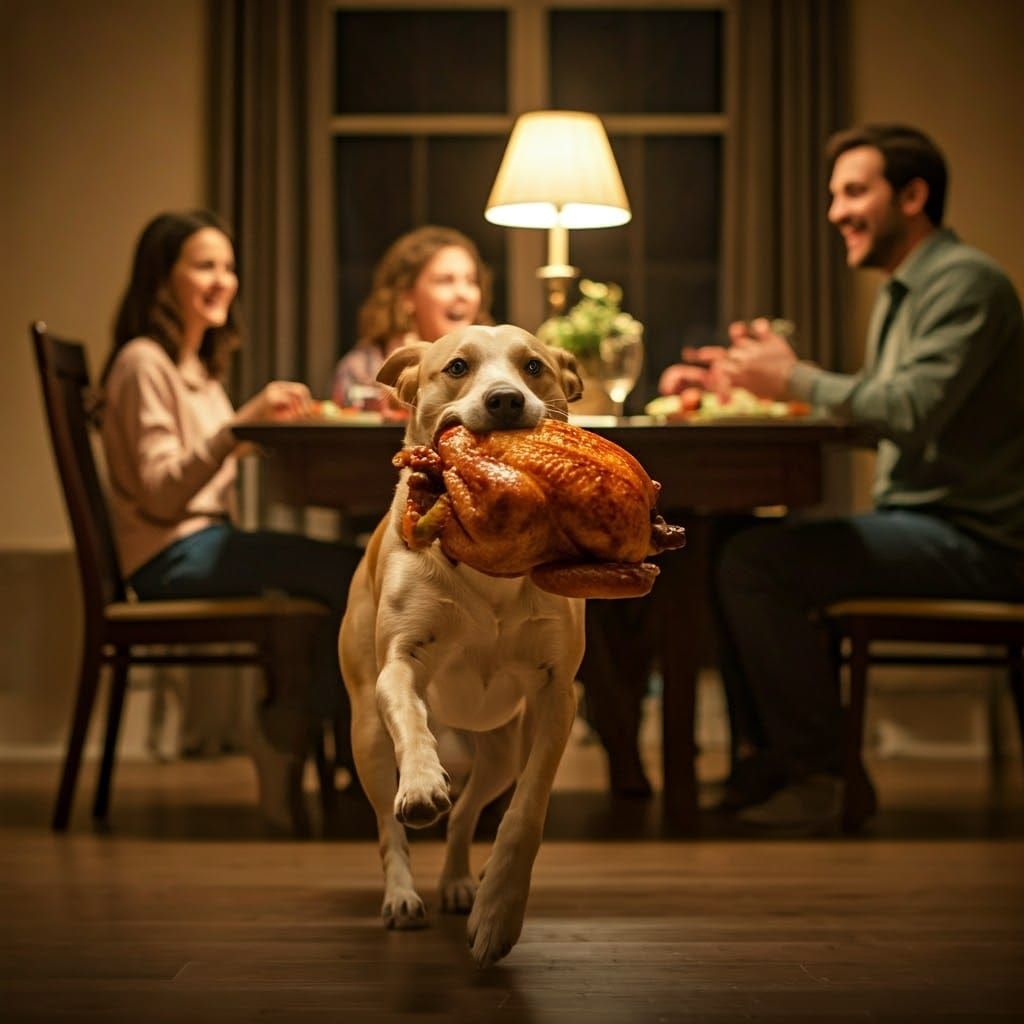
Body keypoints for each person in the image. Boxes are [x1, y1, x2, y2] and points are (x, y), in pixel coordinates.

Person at [659, 124, 1024, 831]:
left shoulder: (965, 283)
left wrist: (792, 375)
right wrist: (762, 388)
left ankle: (822, 777)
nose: (835, 213)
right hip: (933, 524)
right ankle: (766, 762)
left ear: (913, 195)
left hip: (983, 541)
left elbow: (909, 411)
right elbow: (887, 410)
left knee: (757, 562)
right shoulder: (910, 290)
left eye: (855, 192)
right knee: (733, 539)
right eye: (834, 195)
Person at [100, 209, 363, 830]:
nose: (222, 280)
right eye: (203, 266)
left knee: (349, 575)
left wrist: (258, 433)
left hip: (199, 543)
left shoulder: (194, 370)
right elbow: (164, 495)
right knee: (353, 572)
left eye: (228, 267)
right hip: (170, 556)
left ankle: (302, 729)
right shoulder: (143, 363)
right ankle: (301, 737)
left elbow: (200, 465)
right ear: (162, 279)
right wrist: (237, 427)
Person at [331, 225, 493, 408]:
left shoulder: (495, 363)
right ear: (406, 296)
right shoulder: (361, 368)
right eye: (445, 280)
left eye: (471, 281)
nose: (463, 293)